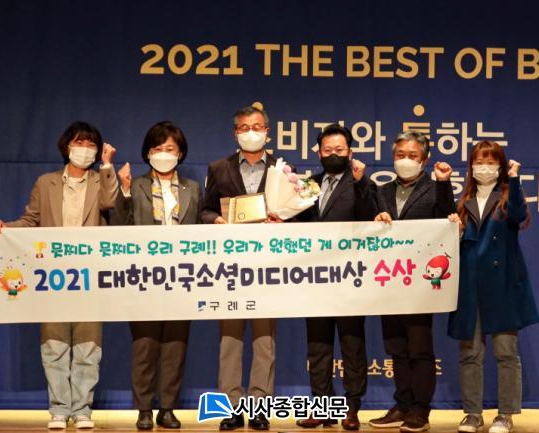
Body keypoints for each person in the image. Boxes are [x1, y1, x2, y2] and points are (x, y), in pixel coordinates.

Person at [0, 121, 119, 430]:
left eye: (91, 144)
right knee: (54, 343)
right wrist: (6, 227)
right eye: (79, 143)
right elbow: (32, 219)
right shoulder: (46, 182)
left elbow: (110, 203)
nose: (84, 149)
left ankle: (83, 409)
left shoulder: (100, 179)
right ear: (66, 146)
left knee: (88, 345)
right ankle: (59, 409)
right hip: (52, 275)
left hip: (89, 274)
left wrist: (107, 165)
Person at [447, 141, 539, 433]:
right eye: (479, 161)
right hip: (470, 286)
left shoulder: (508, 196)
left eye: (490, 161)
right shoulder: (463, 201)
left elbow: (519, 216)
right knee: (470, 354)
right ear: (471, 166)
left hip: (502, 286)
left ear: (500, 166)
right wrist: (455, 231)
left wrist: (514, 178)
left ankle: (505, 415)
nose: (484, 167)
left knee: (506, 353)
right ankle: (472, 414)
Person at [115, 121, 201, 430]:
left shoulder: (193, 188)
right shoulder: (136, 185)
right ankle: (143, 410)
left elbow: (201, 233)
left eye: (170, 149)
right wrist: (124, 191)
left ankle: (167, 408)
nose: (164, 154)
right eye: (157, 148)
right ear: (148, 153)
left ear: (180, 153)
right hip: (144, 277)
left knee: (175, 347)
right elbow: (119, 227)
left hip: (182, 278)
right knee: (145, 346)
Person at [200, 103, 281, 431]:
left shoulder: (282, 169)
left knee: (265, 340)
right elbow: (205, 210)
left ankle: (260, 407)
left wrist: (283, 221)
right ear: (236, 133)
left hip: (269, 266)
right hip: (230, 268)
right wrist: (217, 220)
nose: (251, 133)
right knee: (230, 340)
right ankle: (231, 408)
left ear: (267, 131)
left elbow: (299, 214)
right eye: (245, 127)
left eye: (257, 127)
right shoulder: (219, 168)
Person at [368, 131, 455, 433]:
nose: (405, 160)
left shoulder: (434, 188)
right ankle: (402, 405)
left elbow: (446, 219)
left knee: (419, 348)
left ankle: (420, 410)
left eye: (412, 155)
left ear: (425, 159)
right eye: (400, 155)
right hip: (389, 280)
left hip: (420, 283)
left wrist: (443, 183)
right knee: (396, 347)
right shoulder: (381, 191)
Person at [295, 123, 377, 431]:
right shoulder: (308, 185)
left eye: (339, 150)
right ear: (318, 153)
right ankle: (322, 407)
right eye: (327, 150)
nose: (333, 154)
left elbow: (371, 218)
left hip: (349, 277)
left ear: (350, 152)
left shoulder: (362, 183)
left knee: (352, 344)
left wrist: (359, 182)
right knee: (318, 345)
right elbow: (297, 224)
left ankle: (352, 408)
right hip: (314, 277)